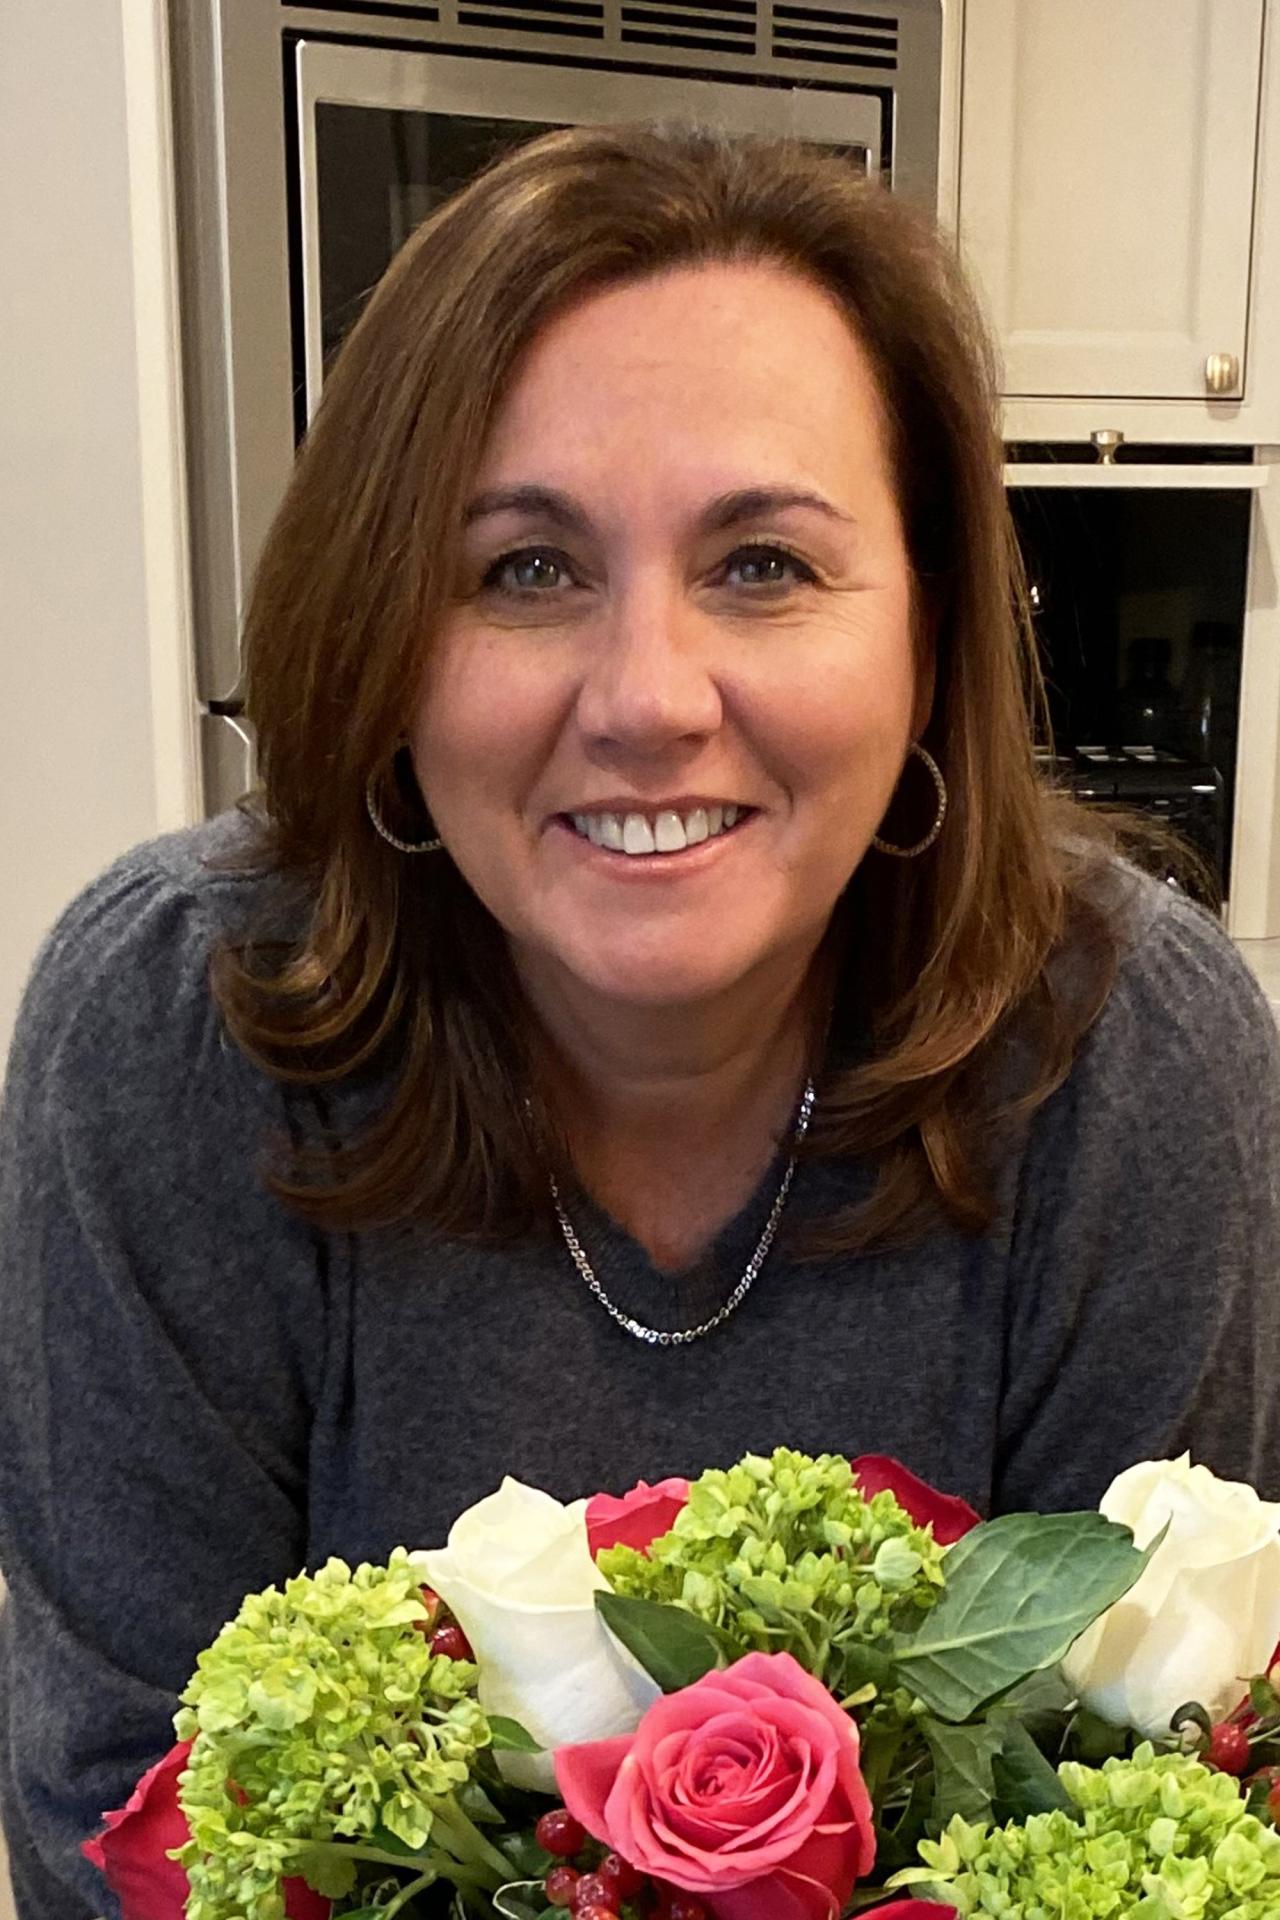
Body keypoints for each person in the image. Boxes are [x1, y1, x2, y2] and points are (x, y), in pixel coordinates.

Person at [1, 123, 1278, 1918]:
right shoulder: (167, 1034)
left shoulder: (1131, 1061)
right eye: (525, 568)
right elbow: (114, 1819)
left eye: (762, 561)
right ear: (382, 637)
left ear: (929, 638)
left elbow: (1173, 1819)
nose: (648, 699)